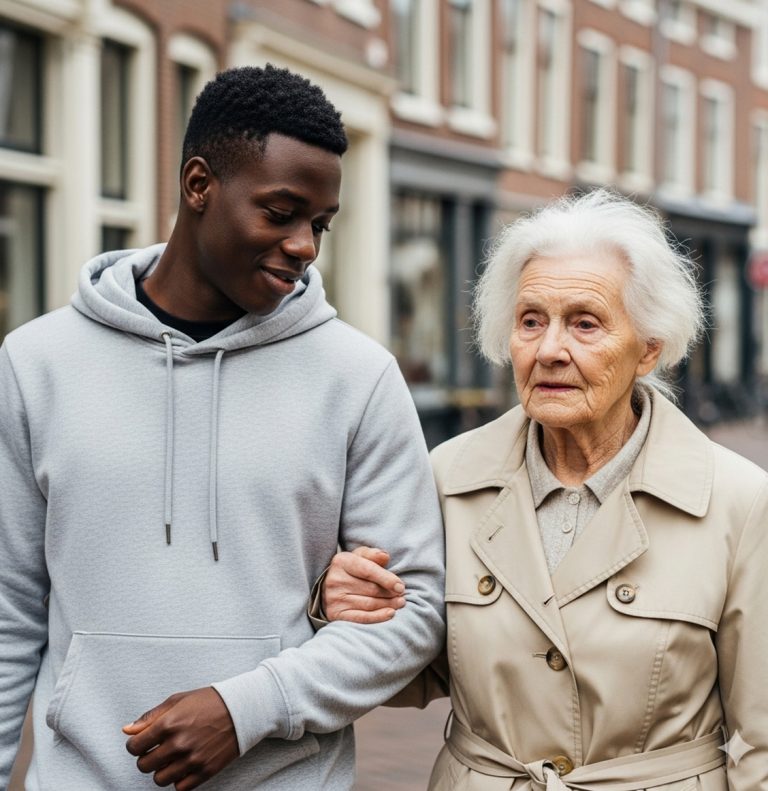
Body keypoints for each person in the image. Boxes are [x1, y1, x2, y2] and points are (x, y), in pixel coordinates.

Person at [0, 64, 445, 791]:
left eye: (320, 224)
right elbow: (8, 612)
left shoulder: (358, 377)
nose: (304, 244)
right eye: (281, 212)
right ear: (199, 185)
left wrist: (248, 708)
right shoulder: (36, 364)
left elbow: (414, 613)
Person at [321, 190, 768, 789]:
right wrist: (346, 612)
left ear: (650, 348)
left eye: (585, 323)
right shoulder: (447, 477)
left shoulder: (740, 503)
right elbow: (412, 674)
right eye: (531, 321)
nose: (551, 350)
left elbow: (761, 742)